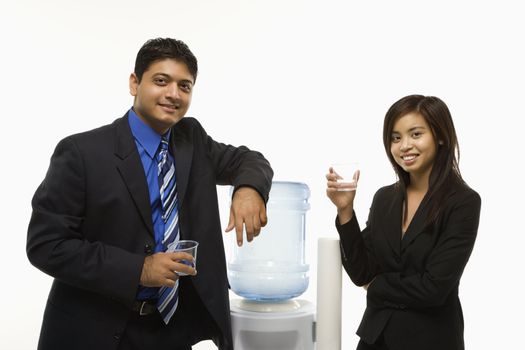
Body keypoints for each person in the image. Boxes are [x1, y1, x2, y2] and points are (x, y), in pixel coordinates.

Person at [27, 38, 273, 350]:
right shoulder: (80, 153)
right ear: (134, 83)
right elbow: (46, 245)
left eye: (185, 86)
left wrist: (248, 189)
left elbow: (249, 160)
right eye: (161, 81)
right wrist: (139, 269)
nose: (173, 94)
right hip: (95, 331)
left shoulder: (191, 140)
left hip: (169, 331)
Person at [326, 95, 481, 350]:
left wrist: (377, 286)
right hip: (375, 339)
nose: (404, 146)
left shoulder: (463, 202)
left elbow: (434, 288)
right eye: (396, 138)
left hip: (431, 340)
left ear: (440, 136)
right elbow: (362, 272)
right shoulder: (385, 198)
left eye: (415, 134)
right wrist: (345, 211)